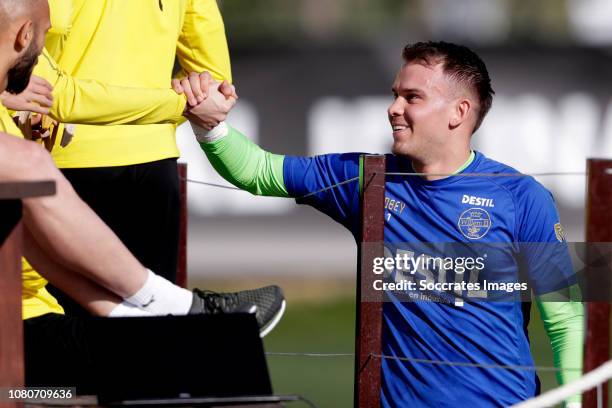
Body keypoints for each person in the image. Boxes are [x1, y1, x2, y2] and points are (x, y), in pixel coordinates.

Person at [183, 42, 584, 407]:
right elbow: (257, 170)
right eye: (395, 95)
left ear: (458, 113)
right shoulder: (368, 179)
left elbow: (565, 318)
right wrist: (208, 125)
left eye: (412, 97)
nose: (394, 107)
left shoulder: (522, 197)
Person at [0, 0, 284, 388]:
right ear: (27, 37)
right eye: (46, 37)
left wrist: (134, 312)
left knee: (158, 362)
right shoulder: (20, 147)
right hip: (81, 177)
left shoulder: (16, 119)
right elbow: (59, 97)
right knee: (154, 375)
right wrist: (181, 103)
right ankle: (177, 313)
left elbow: (35, 248)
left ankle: (169, 315)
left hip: (73, 180)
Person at [38, 0, 233, 296]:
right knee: (148, 328)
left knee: (62, 326)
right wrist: (174, 102)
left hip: (63, 158)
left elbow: (31, 59)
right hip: (152, 161)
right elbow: (214, 83)